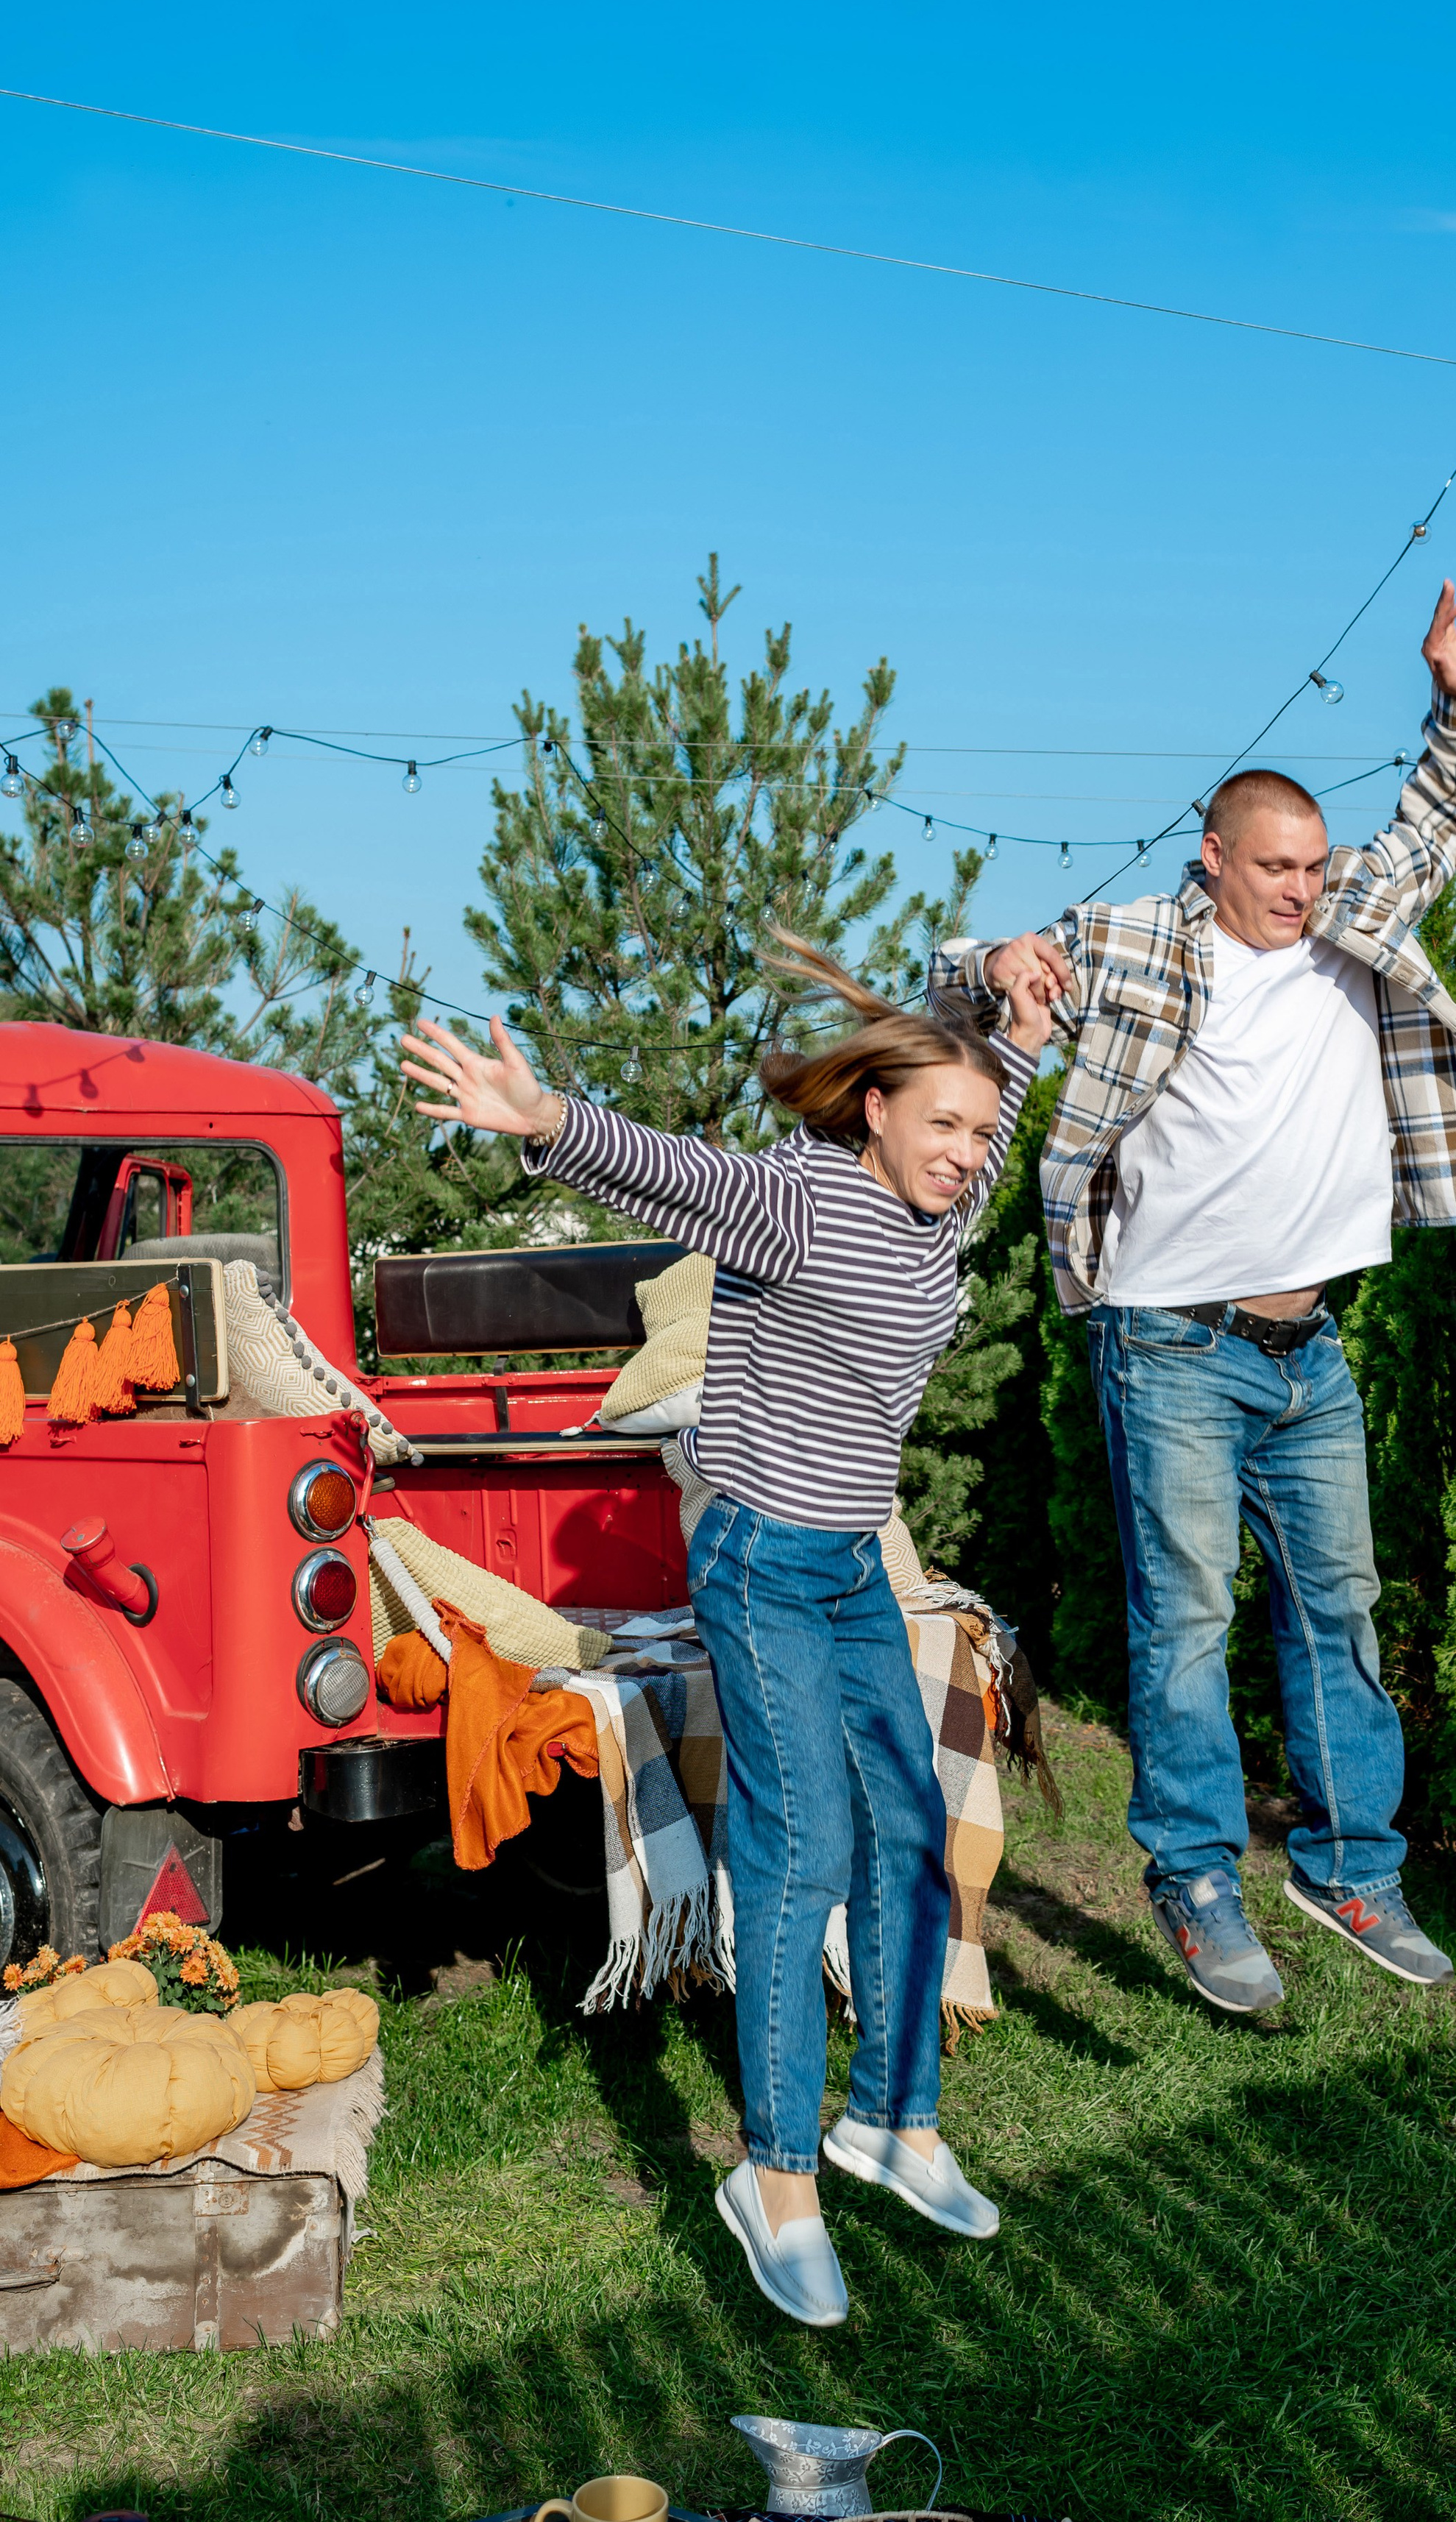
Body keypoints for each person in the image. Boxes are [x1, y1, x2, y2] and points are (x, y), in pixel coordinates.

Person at [929, 582, 1456, 2013]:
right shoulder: (1144, 942)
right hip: (1169, 1346)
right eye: (1271, 864)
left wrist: (1454, 693)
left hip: (1307, 1348)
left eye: (1310, 863)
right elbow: (960, 975)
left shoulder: (1352, 923)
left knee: (1338, 1609)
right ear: (1213, 858)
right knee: (1187, 1617)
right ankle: (1196, 1879)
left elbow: (1438, 817)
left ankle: (1348, 1866)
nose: (1297, 885)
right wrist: (994, 963)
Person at [399, 936, 1051, 2328]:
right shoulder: (799, 1204)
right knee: (802, 1841)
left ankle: (890, 2123)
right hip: (757, 1562)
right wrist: (547, 1120)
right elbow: (675, 1174)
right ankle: (774, 2180)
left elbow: (984, 1109)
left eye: (977, 1129)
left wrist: (1008, 1027)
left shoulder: (944, 1201)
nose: (963, 1150)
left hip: (856, 1569)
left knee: (912, 1829)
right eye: (938, 1122)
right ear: (870, 1108)